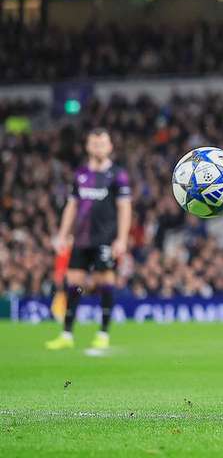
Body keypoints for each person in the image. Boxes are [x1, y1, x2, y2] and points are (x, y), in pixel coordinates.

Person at [45, 128, 131, 350]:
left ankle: (103, 333)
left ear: (110, 146)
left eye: (102, 144)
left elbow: (124, 208)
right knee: (73, 283)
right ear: (88, 146)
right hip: (81, 239)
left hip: (105, 238)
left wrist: (121, 239)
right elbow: (72, 206)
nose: (98, 148)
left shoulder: (117, 175)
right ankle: (66, 334)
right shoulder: (80, 174)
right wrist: (63, 234)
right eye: (94, 144)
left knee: (106, 283)